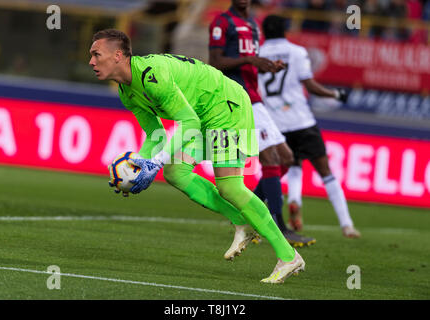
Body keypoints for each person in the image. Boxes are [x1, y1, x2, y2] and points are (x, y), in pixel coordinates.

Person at [89, 29, 305, 283]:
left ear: (117, 56)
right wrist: (138, 165)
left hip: (224, 106)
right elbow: (154, 133)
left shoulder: (151, 75)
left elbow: (188, 122)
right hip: (203, 115)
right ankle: (240, 221)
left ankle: (288, 256)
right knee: (175, 172)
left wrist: (154, 163)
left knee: (230, 187)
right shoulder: (127, 92)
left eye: (96, 54)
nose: (91, 62)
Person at [208, 0, 316, 247]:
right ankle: (277, 225)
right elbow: (216, 62)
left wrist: (267, 67)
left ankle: (247, 215)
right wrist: (250, 60)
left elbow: (250, 64)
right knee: (271, 159)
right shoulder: (222, 22)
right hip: (238, 97)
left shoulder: (254, 25)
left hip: (255, 96)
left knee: (286, 157)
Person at [258, 15, 361, 238]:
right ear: (285, 29)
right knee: (325, 172)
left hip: (275, 124)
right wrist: (335, 93)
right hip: (301, 121)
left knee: (283, 167)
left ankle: (290, 201)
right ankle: (347, 224)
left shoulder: (257, 55)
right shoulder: (297, 52)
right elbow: (311, 86)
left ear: (264, 31)